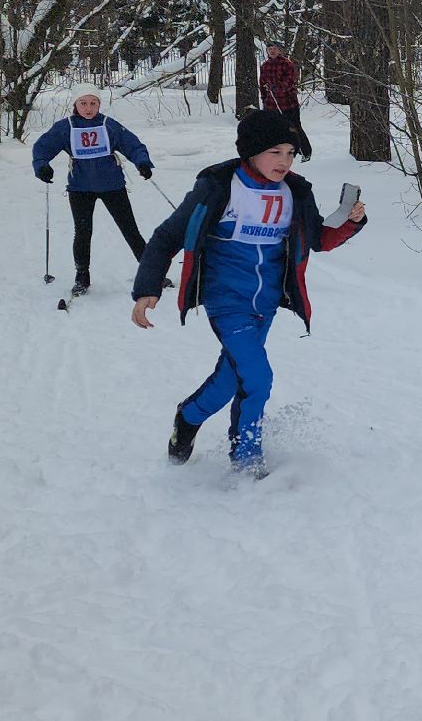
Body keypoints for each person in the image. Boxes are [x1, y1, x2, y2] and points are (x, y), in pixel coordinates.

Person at [130, 110, 366, 475]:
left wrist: (350, 222)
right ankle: (247, 460)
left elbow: (318, 239)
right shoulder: (220, 186)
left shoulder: (295, 192)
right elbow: (167, 236)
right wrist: (147, 289)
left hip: (266, 302)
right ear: (251, 152)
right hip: (227, 301)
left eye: (290, 153)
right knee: (257, 379)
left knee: (231, 378)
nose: (284, 161)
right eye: (275, 152)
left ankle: (188, 416)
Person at [32, 92, 155, 295]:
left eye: (93, 103)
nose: (88, 108)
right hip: (80, 189)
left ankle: (151, 273)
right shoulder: (66, 127)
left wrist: (142, 162)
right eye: (83, 103)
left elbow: (132, 144)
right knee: (82, 232)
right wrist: (42, 166)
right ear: (75, 104)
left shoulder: (108, 124)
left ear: (99, 104)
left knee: (130, 229)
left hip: (112, 186)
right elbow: (43, 147)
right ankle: (82, 276)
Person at [258, 43, 310, 160]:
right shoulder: (265, 66)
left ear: (279, 50)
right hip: (271, 104)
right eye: (270, 49)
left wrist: (277, 88)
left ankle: (305, 151)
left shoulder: (287, 64)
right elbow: (262, 83)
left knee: (294, 127)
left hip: (288, 103)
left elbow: (290, 82)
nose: (272, 51)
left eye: (274, 49)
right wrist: (264, 97)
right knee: (273, 129)